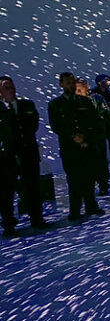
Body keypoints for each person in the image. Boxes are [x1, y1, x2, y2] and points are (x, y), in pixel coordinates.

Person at [48, 72, 104, 221]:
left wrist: (86, 137)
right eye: (68, 82)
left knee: (89, 176)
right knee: (74, 179)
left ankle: (91, 205)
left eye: (73, 82)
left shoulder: (85, 102)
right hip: (69, 147)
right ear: (61, 84)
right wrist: (72, 136)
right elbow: (56, 126)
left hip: (86, 145)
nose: (71, 85)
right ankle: (75, 209)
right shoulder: (55, 105)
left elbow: (93, 121)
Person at [0, 76, 48, 234]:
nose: (10, 90)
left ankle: (37, 218)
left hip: (28, 152)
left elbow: (32, 125)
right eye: (5, 87)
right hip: (7, 157)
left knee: (32, 187)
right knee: (7, 191)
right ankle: (8, 224)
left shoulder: (27, 105)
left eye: (11, 86)